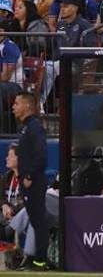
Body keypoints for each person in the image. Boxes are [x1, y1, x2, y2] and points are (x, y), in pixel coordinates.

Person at [11, 93, 46, 271]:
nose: (13, 107)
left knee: (38, 221)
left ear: (27, 106)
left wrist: (29, 176)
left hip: (33, 183)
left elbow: (41, 155)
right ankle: (35, 259)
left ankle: (40, 260)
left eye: (17, 103)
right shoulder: (26, 128)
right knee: (35, 220)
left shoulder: (34, 127)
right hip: (27, 182)